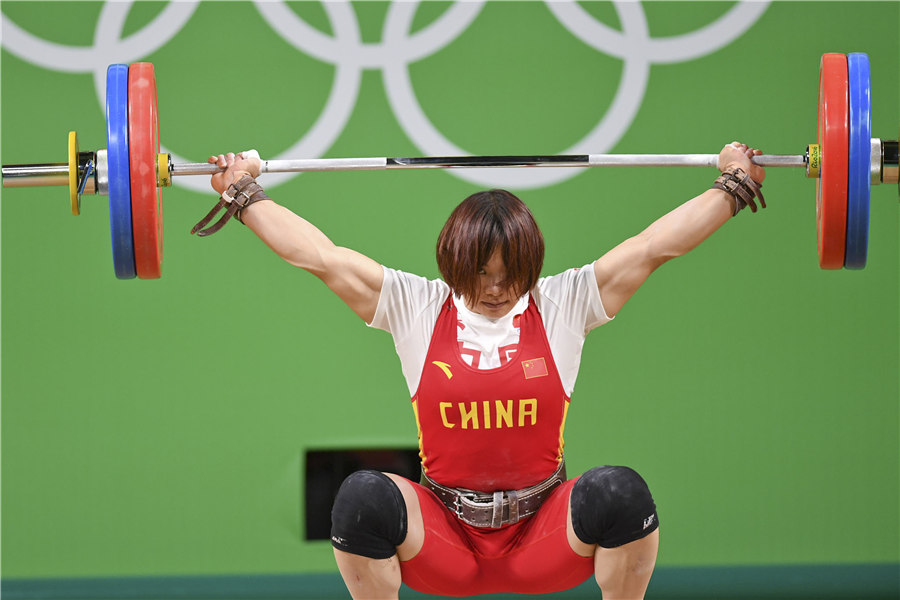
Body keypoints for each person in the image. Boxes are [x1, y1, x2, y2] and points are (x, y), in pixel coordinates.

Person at [200, 142, 766, 599]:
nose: (495, 287)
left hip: (543, 539)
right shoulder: (415, 305)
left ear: (532, 265)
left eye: (509, 272)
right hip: (443, 545)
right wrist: (246, 193)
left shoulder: (562, 303)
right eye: (481, 272)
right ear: (452, 263)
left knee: (620, 492)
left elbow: (652, 248)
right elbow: (318, 256)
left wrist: (732, 185)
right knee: (360, 498)